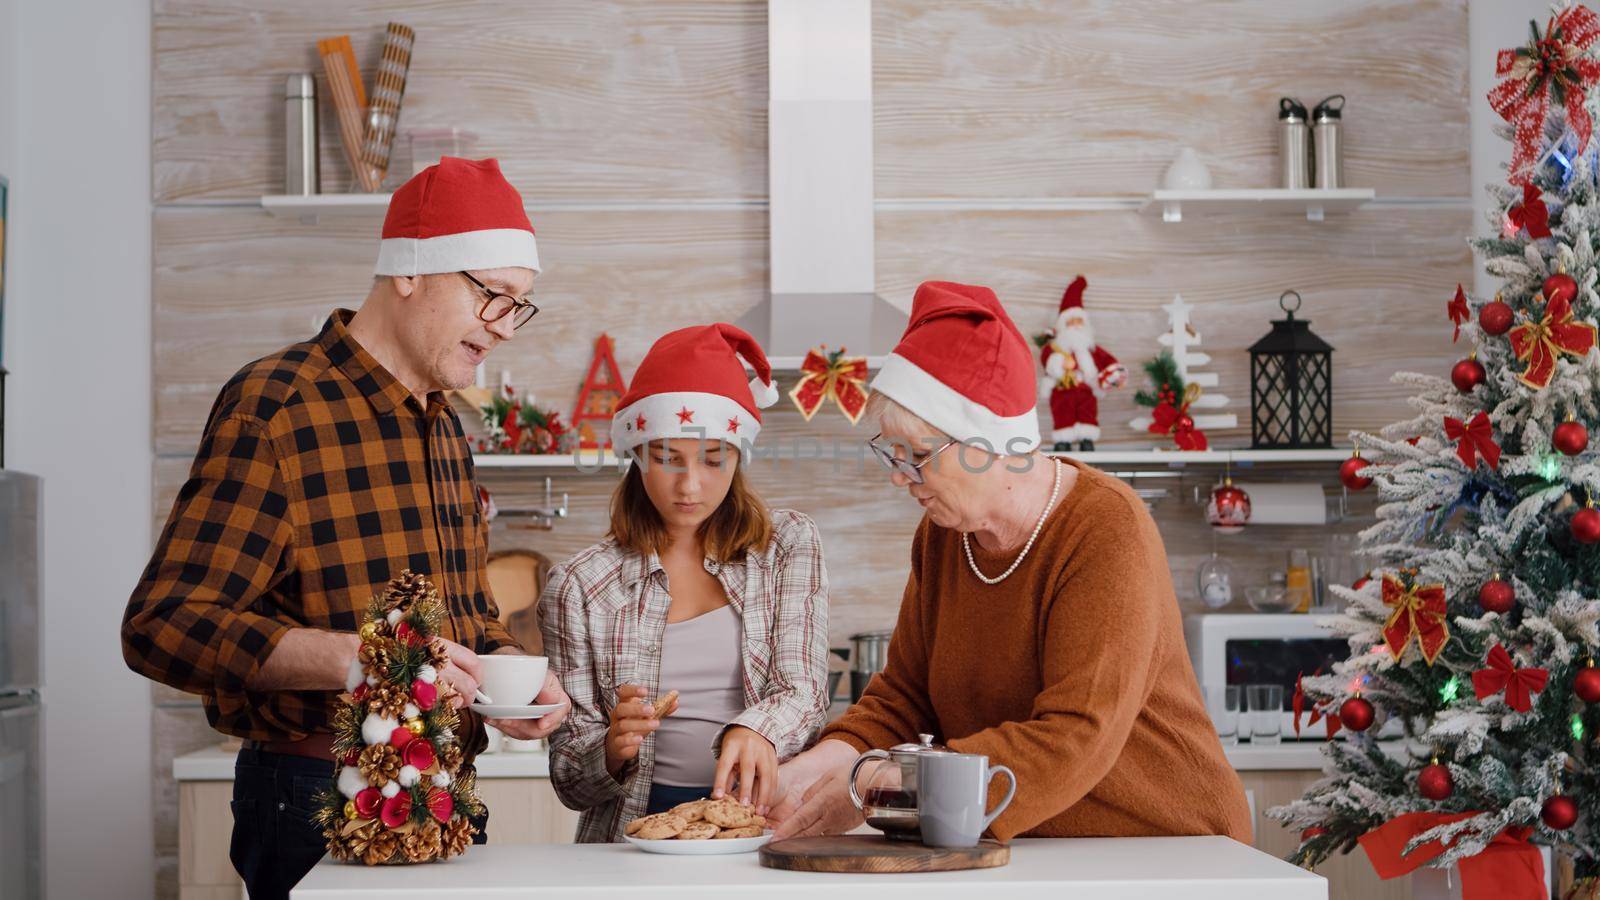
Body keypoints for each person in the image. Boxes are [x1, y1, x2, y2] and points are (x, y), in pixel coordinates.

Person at [121, 157, 571, 899]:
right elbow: (162, 626)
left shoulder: (445, 427)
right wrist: (359, 660)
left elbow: (463, 618)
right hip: (315, 794)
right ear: (410, 274)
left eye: (519, 305)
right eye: (493, 296)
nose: (505, 328)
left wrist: (507, 676)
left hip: (448, 795)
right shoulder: (277, 405)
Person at [769, 281, 1251, 844]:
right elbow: (904, 700)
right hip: (1034, 848)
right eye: (893, 453)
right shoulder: (943, 536)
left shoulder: (1106, 529)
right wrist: (813, 767)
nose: (900, 476)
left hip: (1165, 847)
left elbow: (1076, 734)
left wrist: (880, 783)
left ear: (993, 444)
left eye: (919, 456)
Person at [541, 324, 830, 842]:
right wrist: (609, 747)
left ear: (739, 457)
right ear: (636, 456)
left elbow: (805, 692)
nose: (690, 485)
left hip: (765, 825)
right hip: (630, 837)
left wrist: (755, 727)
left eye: (714, 460)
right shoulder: (580, 586)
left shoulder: (787, 546)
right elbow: (569, 780)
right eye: (667, 459)